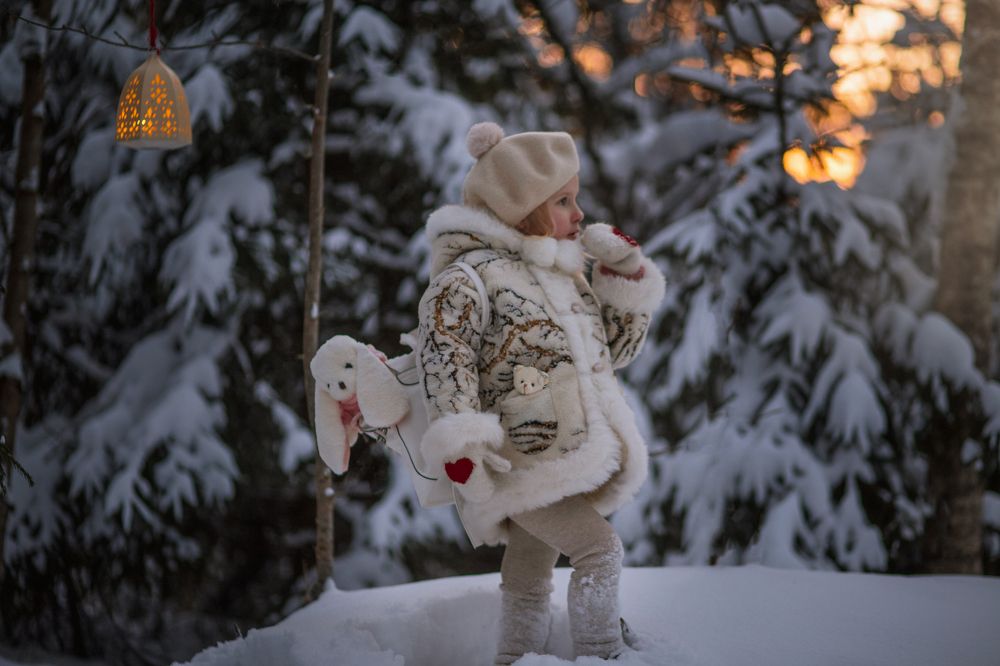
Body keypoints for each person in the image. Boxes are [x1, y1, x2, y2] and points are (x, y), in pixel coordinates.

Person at [416, 122, 665, 663]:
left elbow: (612, 354)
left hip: (559, 454)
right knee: (600, 552)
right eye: (563, 201)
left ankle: (515, 659)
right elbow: (445, 354)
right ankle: (604, 655)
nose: (579, 215)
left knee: (529, 574)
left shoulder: (560, 276)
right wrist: (464, 445)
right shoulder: (472, 277)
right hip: (517, 461)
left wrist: (624, 275)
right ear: (521, 206)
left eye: (577, 199)